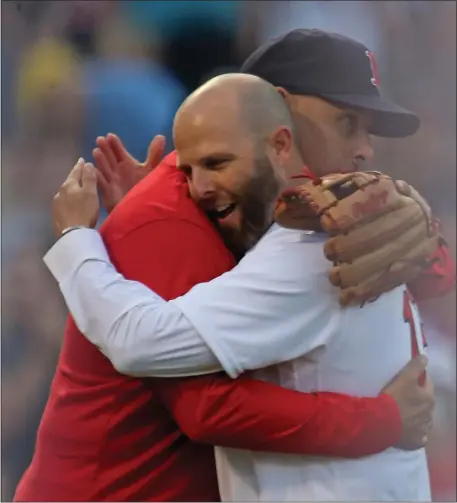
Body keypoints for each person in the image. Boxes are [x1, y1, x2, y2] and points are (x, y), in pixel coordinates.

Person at [14, 31, 445, 503]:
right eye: (346, 122)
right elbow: (205, 407)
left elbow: (437, 276)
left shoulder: (295, 208)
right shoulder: (195, 218)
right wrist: (385, 420)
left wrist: (415, 213)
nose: (366, 149)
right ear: (280, 115)